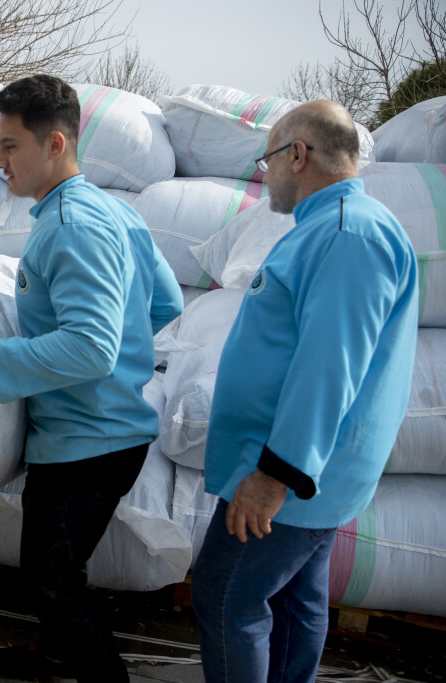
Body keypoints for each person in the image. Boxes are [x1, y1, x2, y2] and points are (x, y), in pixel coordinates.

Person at [0, 75, 183, 683]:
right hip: (107, 428)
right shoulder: (113, 211)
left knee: (51, 578)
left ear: (56, 144)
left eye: (10, 146)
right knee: (60, 567)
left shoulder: (71, 225)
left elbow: (91, 347)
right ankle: (57, 657)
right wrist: (123, 360)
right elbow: (164, 302)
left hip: (88, 439)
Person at [191, 100, 419, 683]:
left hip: (291, 477)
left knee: (226, 599)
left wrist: (275, 476)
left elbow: (330, 367)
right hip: (310, 476)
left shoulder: (347, 235)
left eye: (268, 159)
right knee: (294, 602)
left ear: (298, 154)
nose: (264, 174)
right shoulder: (332, 226)